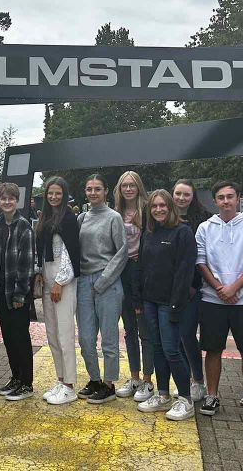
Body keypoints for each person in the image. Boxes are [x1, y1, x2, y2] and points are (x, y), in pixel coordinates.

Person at [195, 180, 243, 423]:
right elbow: (200, 261)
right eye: (221, 197)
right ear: (215, 201)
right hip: (212, 299)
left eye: (230, 196)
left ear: (238, 198)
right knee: (212, 349)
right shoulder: (205, 228)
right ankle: (212, 396)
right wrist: (219, 288)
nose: (226, 201)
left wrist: (234, 288)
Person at [135, 190, 198, 421]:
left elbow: (185, 272)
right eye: (154, 206)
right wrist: (139, 298)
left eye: (163, 205)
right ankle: (163, 395)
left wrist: (176, 305)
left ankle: (186, 399)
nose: (158, 209)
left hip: (170, 303)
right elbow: (142, 266)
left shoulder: (183, 232)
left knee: (172, 349)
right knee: (157, 348)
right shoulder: (149, 233)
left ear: (170, 207)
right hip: (150, 301)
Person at [76, 174, 127, 404]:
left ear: (106, 191)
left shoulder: (114, 217)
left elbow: (122, 252)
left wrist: (103, 281)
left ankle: (108, 383)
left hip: (108, 282)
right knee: (86, 338)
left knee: (109, 338)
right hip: (84, 282)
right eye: (89, 189)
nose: (93, 193)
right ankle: (94, 379)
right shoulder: (81, 218)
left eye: (97, 189)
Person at [35, 177, 81, 406]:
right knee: (52, 335)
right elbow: (41, 251)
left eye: (58, 193)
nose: (53, 197)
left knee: (65, 334)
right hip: (47, 279)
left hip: (64, 282)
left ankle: (70, 385)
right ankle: (61, 380)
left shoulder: (69, 219)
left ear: (64, 195)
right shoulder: (45, 218)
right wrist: (40, 273)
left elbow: (71, 254)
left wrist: (60, 282)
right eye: (50, 193)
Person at [111, 171, 155, 403]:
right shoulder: (115, 213)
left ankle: (148, 380)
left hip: (142, 273)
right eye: (124, 185)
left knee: (144, 330)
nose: (128, 189)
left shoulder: (147, 211)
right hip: (121, 272)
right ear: (119, 189)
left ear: (139, 187)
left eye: (132, 185)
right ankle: (135, 377)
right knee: (128, 329)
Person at [0, 183, 35, 401]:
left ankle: (26, 383)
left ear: (17, 201)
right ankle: (16, 377)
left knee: (20, 338)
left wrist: (20, 294)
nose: (7, 202)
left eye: (11, 198)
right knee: (8, 337)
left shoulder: (24, 226)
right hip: (0, 292)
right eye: (3, 198)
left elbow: (26, 265)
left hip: (17, 293)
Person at [170, 179, 208, 402]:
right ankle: (186, 380)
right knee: (176, 337)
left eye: (186, 194)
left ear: (193, 197)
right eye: (178, 193)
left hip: (194, 288)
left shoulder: (203, 220)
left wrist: (194, 285)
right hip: (170, 288)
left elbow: (201, 257)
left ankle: (198, 381)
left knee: (187, 334)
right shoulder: (164, 217)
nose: (181, 198)